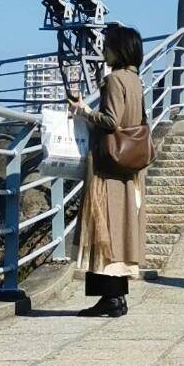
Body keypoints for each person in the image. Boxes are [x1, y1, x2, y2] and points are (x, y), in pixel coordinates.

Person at [76, 22, 148, 317]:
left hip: (109, 163)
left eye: (107, 45)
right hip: (130, 163)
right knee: (121, 228)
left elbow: (110, 121)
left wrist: (83, 111)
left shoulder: (114, 80)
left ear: (119, 49)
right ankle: (116, 297)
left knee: (103, 225)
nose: (103, 50)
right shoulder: (135, 80)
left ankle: (110, 298)